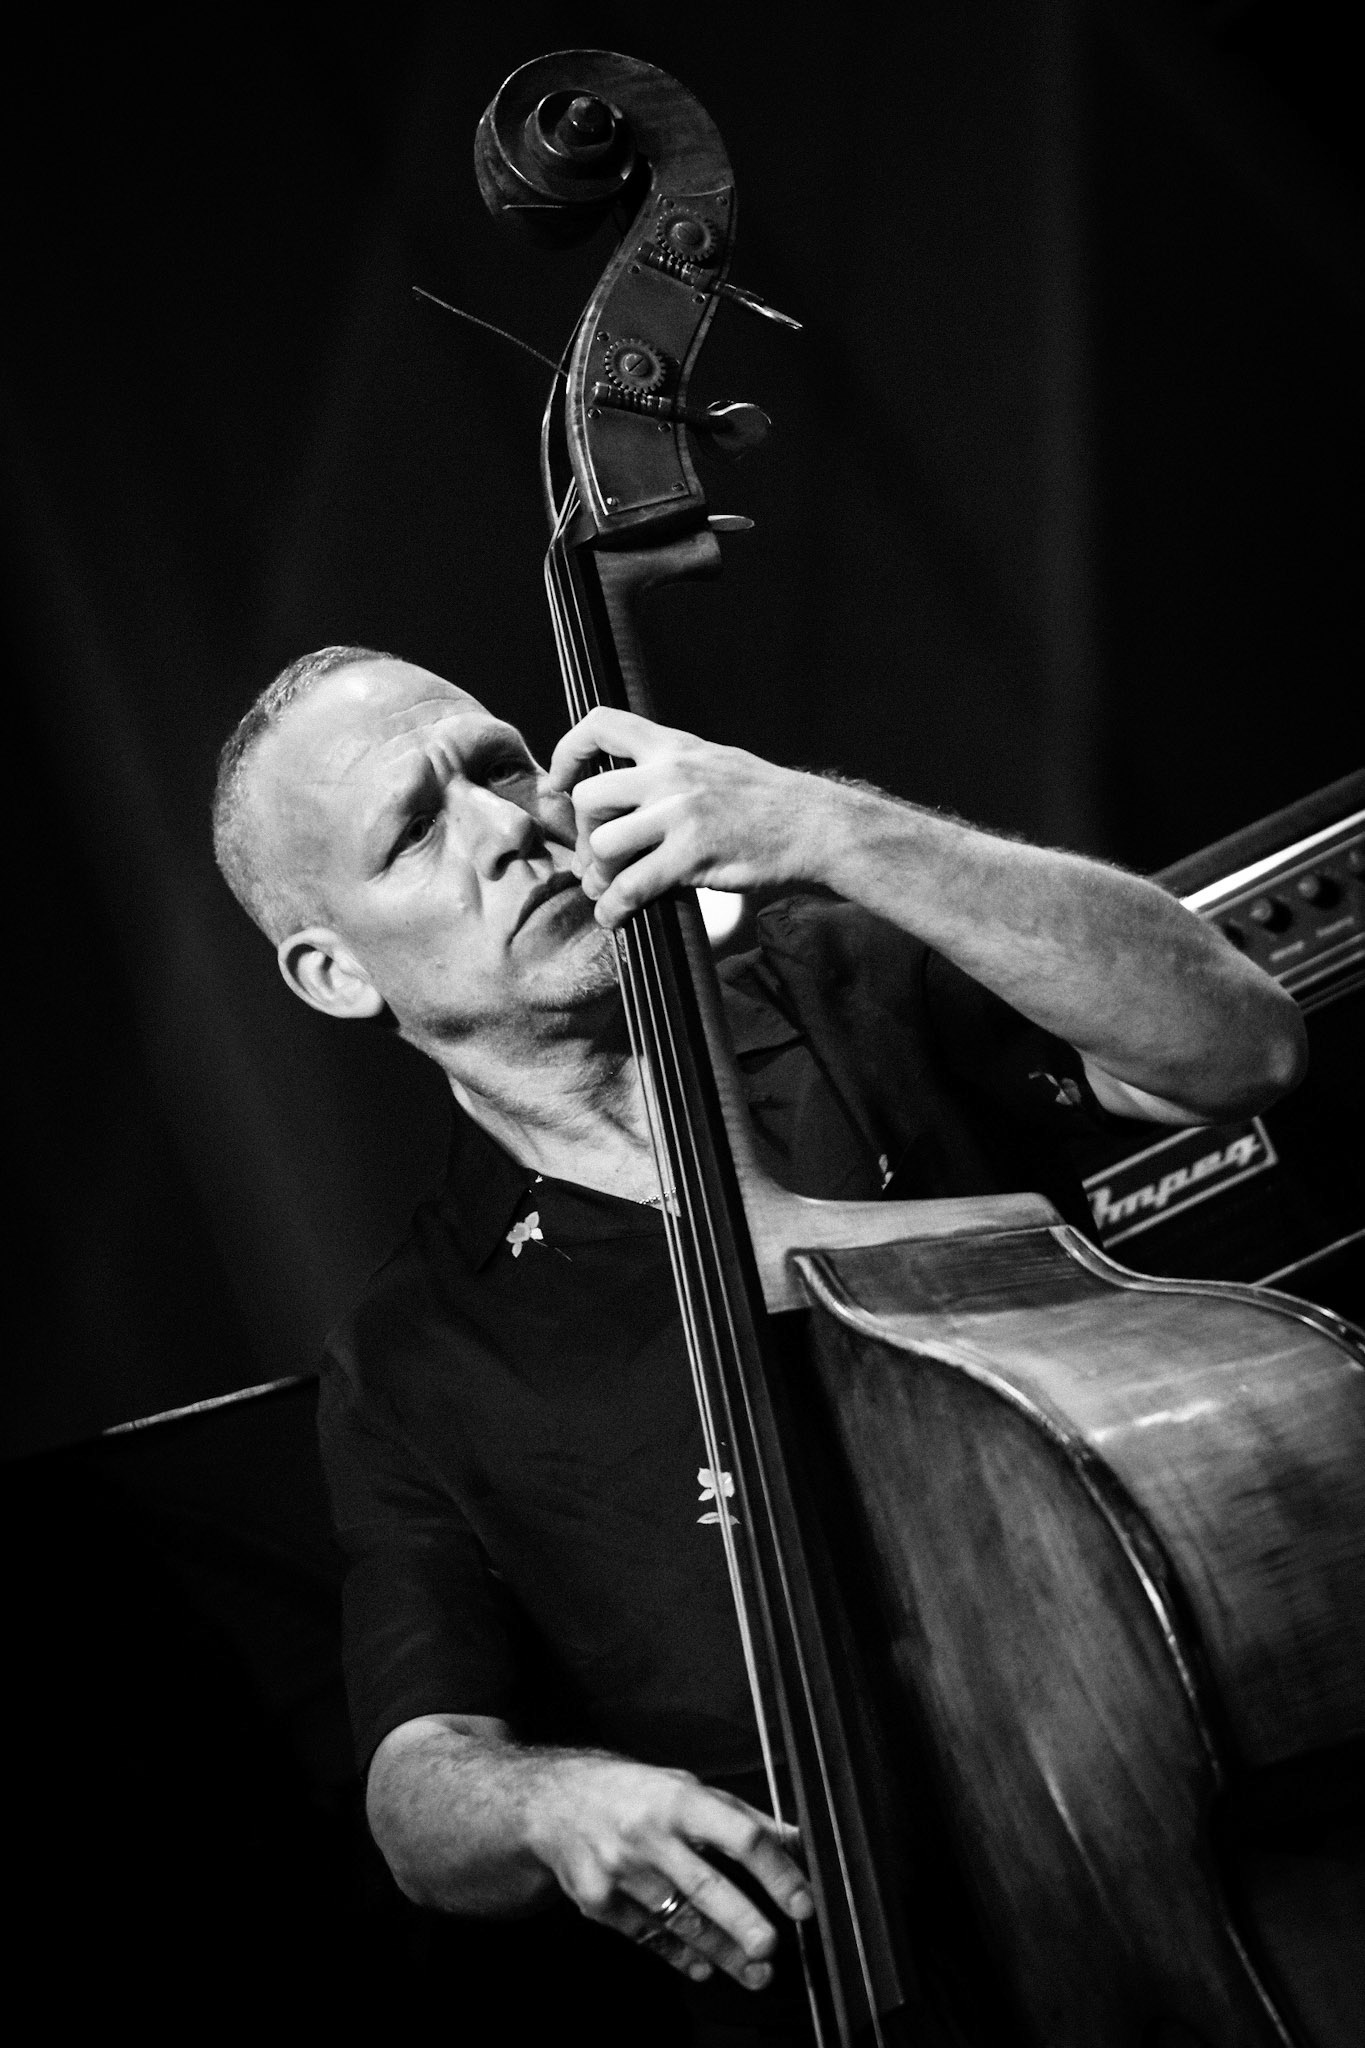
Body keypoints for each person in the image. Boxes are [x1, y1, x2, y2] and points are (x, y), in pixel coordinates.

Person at [211, 642, 1305, 2042]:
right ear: (331, 972)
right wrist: (548, 1804)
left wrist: (832, 829)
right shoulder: (417, 1348)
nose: (504, 825)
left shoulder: (845, 979)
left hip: (1213, 1889)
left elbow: (1240, 1049)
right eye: (415, 832)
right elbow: (418, 1787)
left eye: (495, 763)